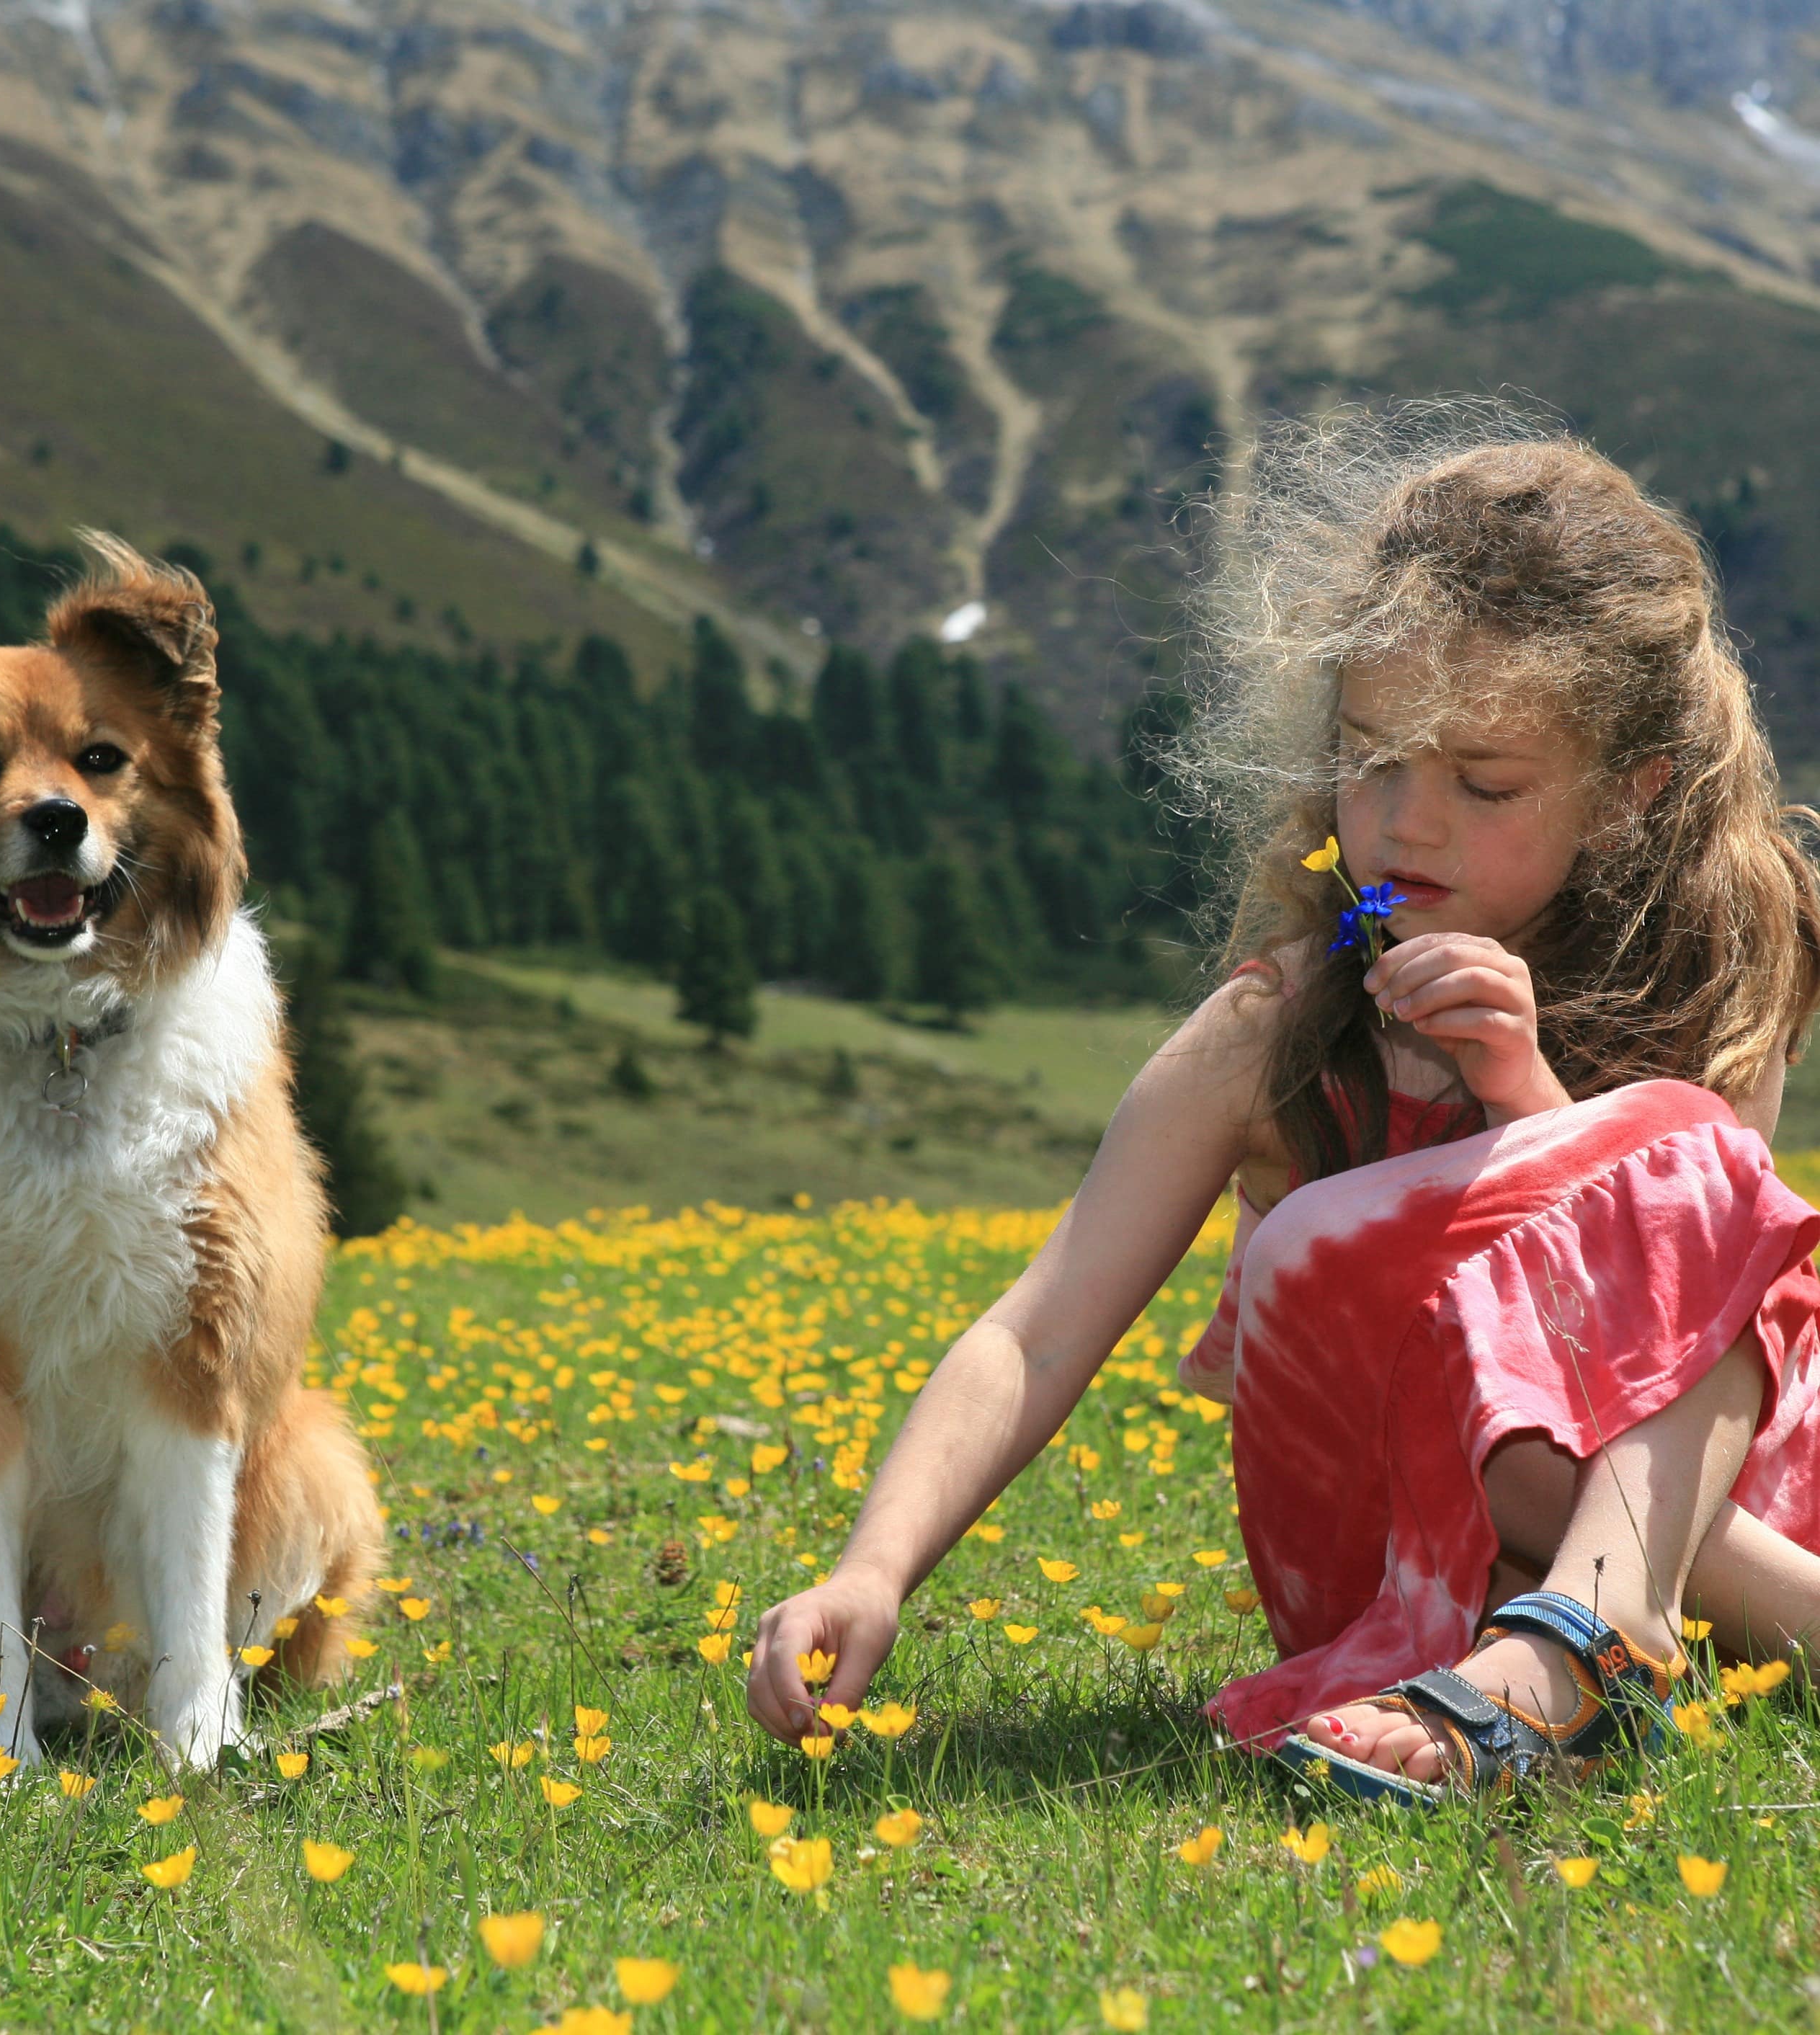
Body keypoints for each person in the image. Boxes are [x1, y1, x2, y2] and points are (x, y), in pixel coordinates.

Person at [744, 402, 1820, 1804]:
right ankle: (1646, 1631)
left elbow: (1682, 1335)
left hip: (1707, 1483)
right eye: (1370, 759)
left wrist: (1525, 1098)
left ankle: (1586, 1637)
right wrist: (870, 1565)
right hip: (1400, 1547)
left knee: (1673, 1148)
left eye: (1478, 780)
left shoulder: (1708, 967)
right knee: (1335, 1241)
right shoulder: (1274, 1024)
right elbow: (1037, 1321)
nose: (1404, 820)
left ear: (1628, 795)